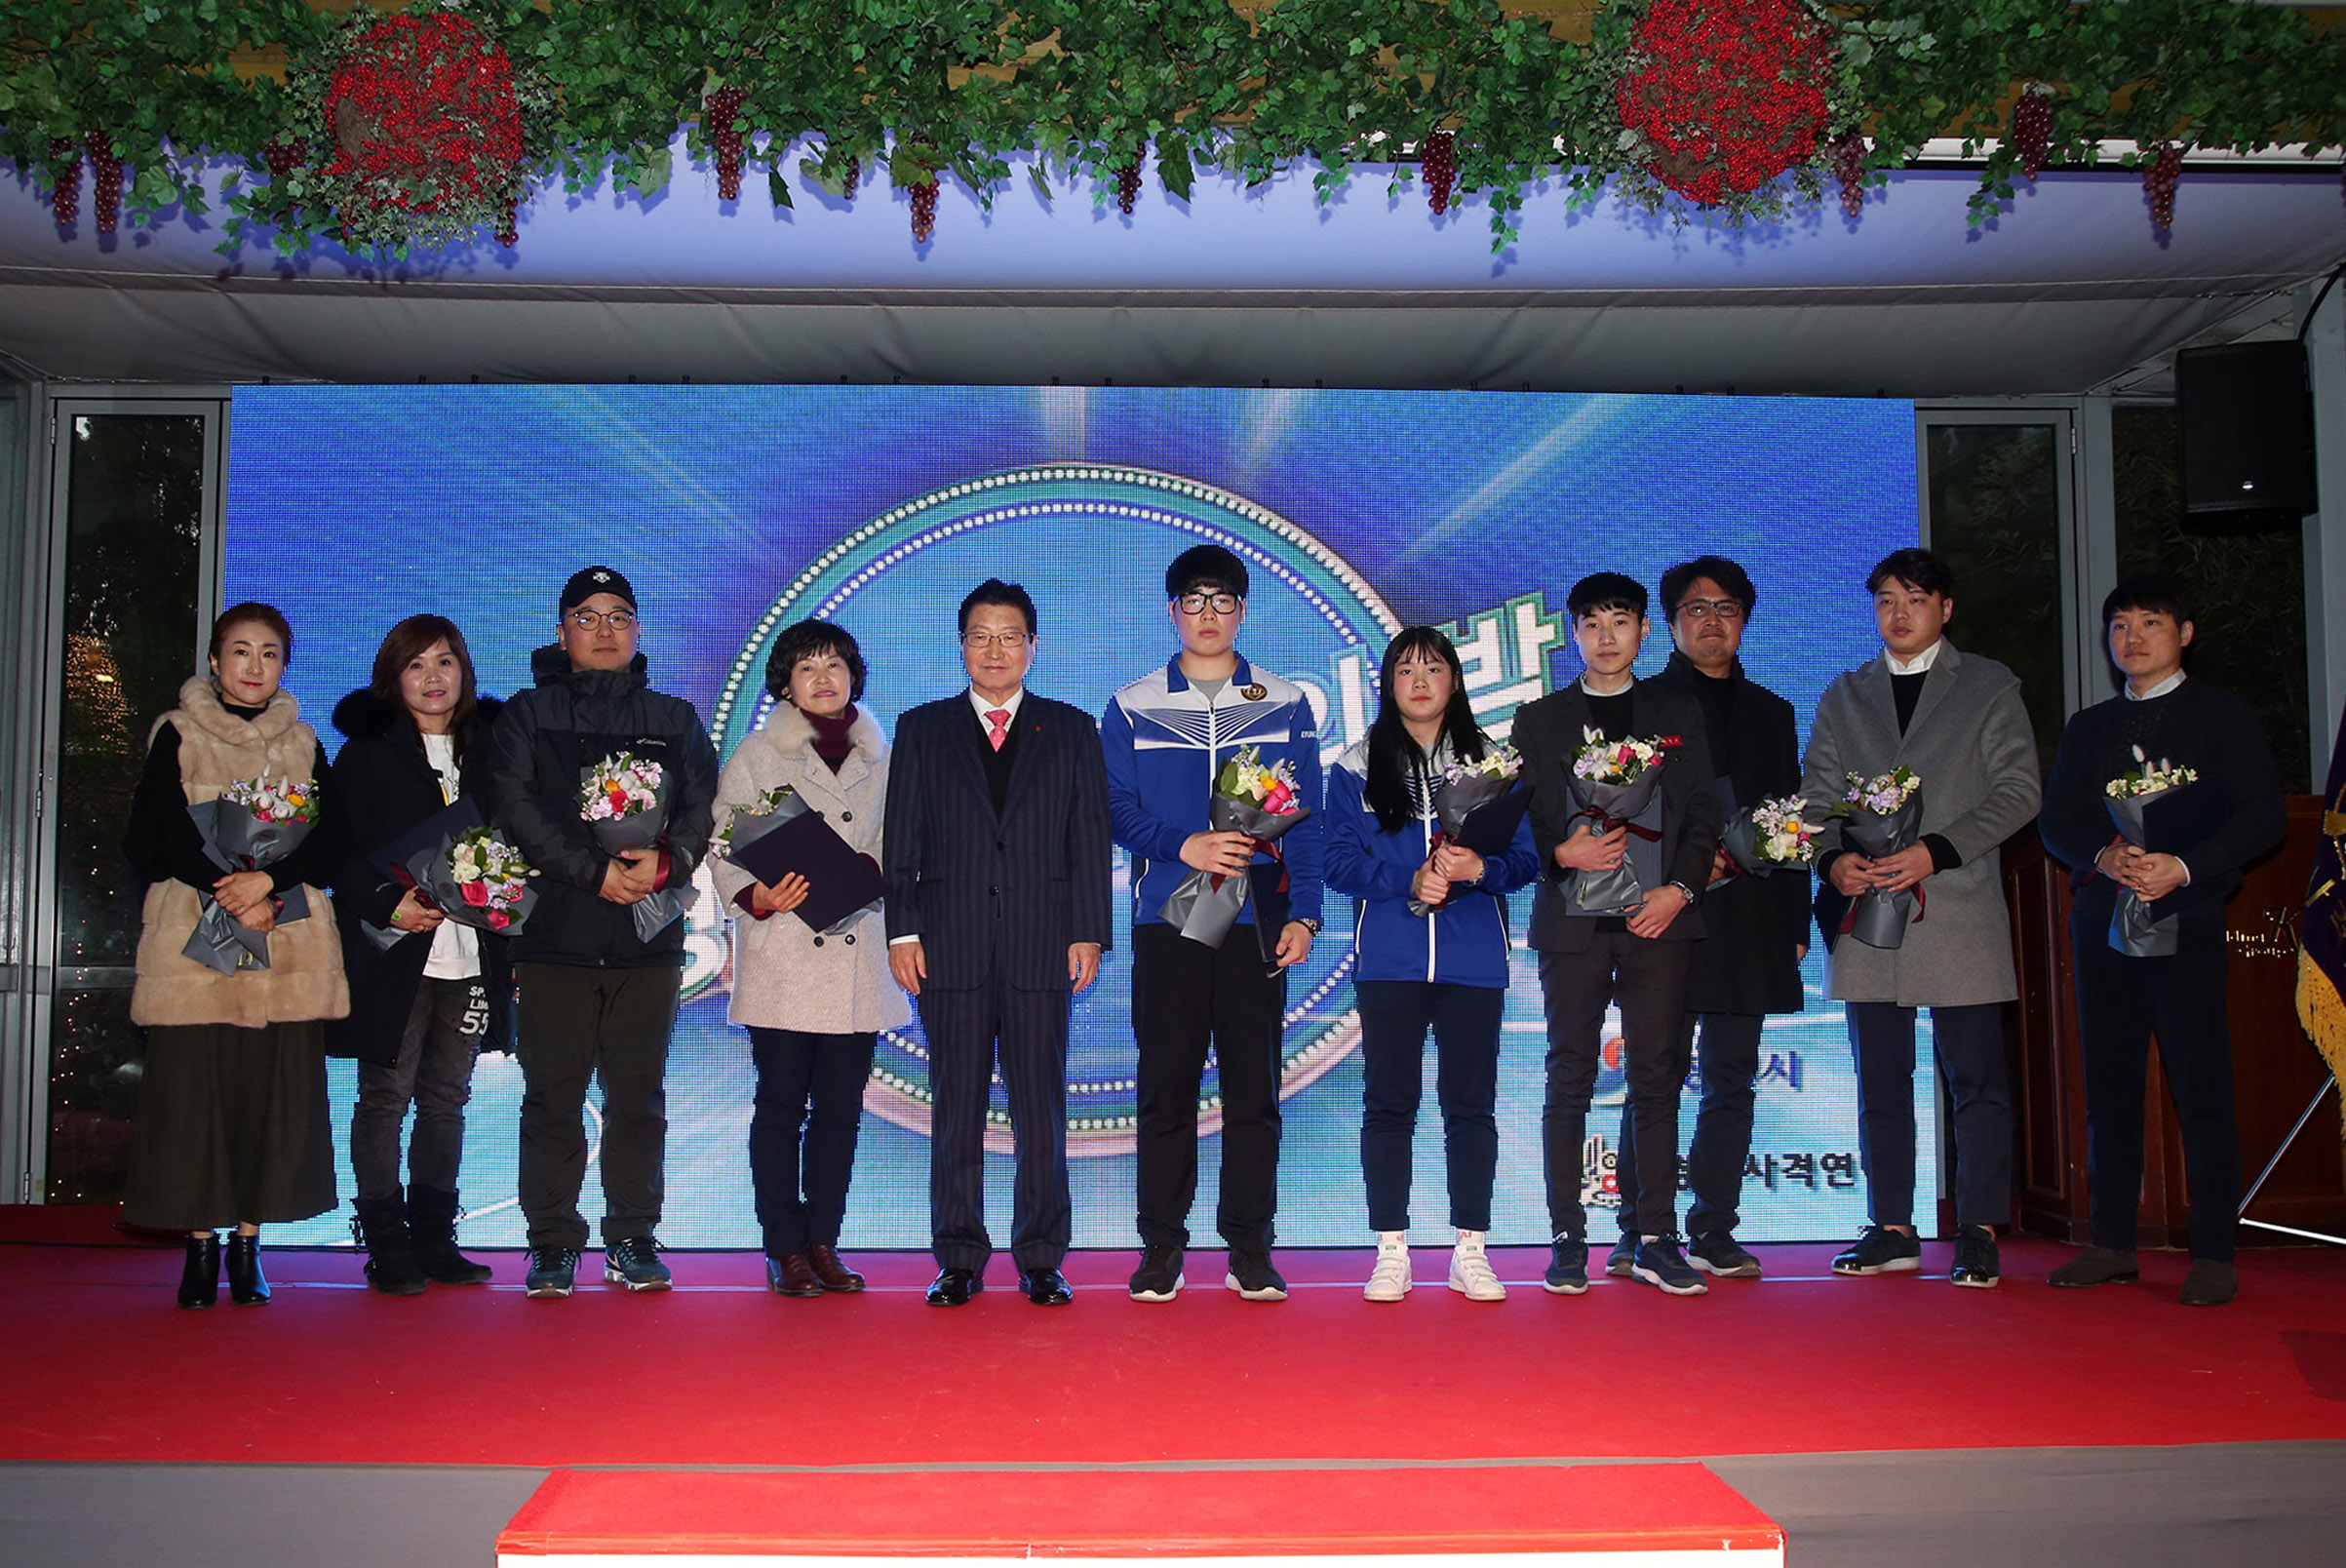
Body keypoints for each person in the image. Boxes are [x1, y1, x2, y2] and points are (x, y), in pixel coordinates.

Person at [2038, 575, 2284, 1306]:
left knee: (2201, 1087)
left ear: (2185, 633)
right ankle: (2112, 1243)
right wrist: (2105, 855)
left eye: (2150, 622)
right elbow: (2058, 820)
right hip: (2103, 921)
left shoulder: (2221, 715)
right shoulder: (2090, 726)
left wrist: (2183, 865)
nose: (2133, 637)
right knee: (2109, 1088)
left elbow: (2263, 817)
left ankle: (2212, 1251)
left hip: (2189, 914)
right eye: (2120, 625)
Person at [1801, 547, 2039, 1289]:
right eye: (1886, 601)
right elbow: (1816, 799)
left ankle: (1978, 1229)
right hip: (1868, 909)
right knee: (1880, 1079)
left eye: (1915, 599)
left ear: (1946, 608)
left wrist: (1936, 850)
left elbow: (2019, 791)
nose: (1898, 614)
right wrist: (1832, 860)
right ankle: (1892, 1228)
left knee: (1977, 1079)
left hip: (1957, 904)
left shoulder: (1989, 685)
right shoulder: (1847, 693)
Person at [483, 567, 717, 1299]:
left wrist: (667, 862)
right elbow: (515, 810)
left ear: (638, 631)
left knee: (638, 1100)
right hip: (555, 936)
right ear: (562, 633)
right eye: (587, 617)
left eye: (619, 616)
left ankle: (633, 1236)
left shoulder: (675, 718)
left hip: (649, 940)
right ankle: (552, 1242)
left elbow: (702, 807)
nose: (605, 630)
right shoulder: (526, 715)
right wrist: (592, 872)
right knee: (552, 1099)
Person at [1102, 544, 1326, 1304]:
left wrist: (1306, 913)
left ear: (1242, 610)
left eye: (1222, 600)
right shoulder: (1133, 704)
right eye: (1193, 601)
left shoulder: (1283, 701)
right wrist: (1183, 844)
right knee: (1166, 1087)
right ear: (1173, 611)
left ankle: (1250, 1249)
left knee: (1253, 1092)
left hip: (1257, 918)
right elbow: (1113, 809)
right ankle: (1161, 1247)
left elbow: (1307, 817)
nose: (1208, 614)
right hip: (1168, 917)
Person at [882, 580, 1112, 1308]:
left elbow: (1088, 839)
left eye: (1009, 636)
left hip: (1043, 943)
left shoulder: (1071, 729)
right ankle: (958, 1257)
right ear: (961, 646)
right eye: (981, 636)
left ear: (1032, 647)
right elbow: (902, 840)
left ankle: (1042, 1257)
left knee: (1041, 1108)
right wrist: (902, 930)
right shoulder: (922, 728)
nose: (995, 649)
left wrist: (1088, 931)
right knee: (955, 1108)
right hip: (948, 945)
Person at [122, 603, 347, 1308]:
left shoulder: (304, 743)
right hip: (195, 942)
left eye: (270, 653)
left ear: (285, 665)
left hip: (284, 938)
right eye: (241, 651)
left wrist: (268, 883)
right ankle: (200, 1248)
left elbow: (332, 839)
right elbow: (152, 835)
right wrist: (230, 885)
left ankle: (249, 1246)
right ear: (216, 661)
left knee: (271, 1097)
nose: (255, 665)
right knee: (196, 1099)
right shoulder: (179, 732)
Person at [1514, 572, 1721, 1297]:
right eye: (1592, 624)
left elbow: (1703, 814)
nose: (1607, 637)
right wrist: (1559, 853)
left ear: (1643, 631)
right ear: (1574, 633)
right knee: (1569, 1074)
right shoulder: (1540, 719)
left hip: (1656, 919)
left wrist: (1679, 891)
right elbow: (1520, 822)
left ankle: (1655, 1237)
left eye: (1620, 622)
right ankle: (1566, 1238)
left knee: (1656, 1075)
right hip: (1571, 922)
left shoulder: (1677, 712)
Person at [1604, 558, 1809, 1282]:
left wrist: (1795, 922)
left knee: (1732, 1079)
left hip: (1752, 916)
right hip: (1666, 914)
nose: (1711, 621)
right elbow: (1617, 810)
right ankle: (1639, 1229)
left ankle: (1715, 1227)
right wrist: (1687, 867)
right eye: (1696, 609)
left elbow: (1791, 822)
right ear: (1670, 624)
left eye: (1725, 608)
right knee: (1654, 1075)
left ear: (1744, 620)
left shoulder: (1772, 713)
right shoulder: (1645, 704)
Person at [1324, 627, 1540, 1303]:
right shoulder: (1356, 766)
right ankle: (1391, 1250)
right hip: (1389, 960)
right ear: (1387, 684)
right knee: (1389, 1103)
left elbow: (1526, 861)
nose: (1420, 681)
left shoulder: (1492, 763)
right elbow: (1337, 863)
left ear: (1456, 680)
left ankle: (1469, 1250)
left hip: (1474, 960)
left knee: (1470, 1106)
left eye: (1434, 668)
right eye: (1406, 669)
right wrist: (1406, 880)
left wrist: (1481, 869)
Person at [710, 619, 907, 1297]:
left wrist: (873, 869)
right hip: (785, 954)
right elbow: (721, 842)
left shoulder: (885, 758)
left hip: (859, 950)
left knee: (840, 1111)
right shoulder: (757, 754)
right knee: (780, 1107)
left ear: (854, 676)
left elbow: (906, 839)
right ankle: (784, 1246)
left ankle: (824, 1240)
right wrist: (756, 894)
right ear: (785, 685)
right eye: (807, 667)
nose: (823, 679)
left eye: (834, 665)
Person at [327, 615, 510, 1295]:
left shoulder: (493, 751)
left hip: (471, 955)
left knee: (447, 1100)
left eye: (445, 661)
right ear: (393, 678)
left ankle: (435, 1238)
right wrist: (387, 903)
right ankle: (385, 1243)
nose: (433, 677)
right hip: (395, 952)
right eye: (417, 665)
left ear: (464, 670)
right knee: (385, 1097)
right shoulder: (366, 755)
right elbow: (336, 853)